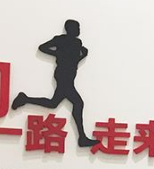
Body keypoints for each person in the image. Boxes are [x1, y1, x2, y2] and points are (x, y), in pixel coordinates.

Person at [12, 19, 98, 147]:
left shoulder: (77, 43)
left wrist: (82, 56)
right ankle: (82, 138)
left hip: (69, 75)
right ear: (70, 29)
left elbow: (73, 60)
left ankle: (24, 99)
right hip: (63, 75)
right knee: (78, 103)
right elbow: (42, 47)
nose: (79, 30)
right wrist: (57, 53)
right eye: (77, 28)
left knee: (54, 103)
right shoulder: (60, 40)